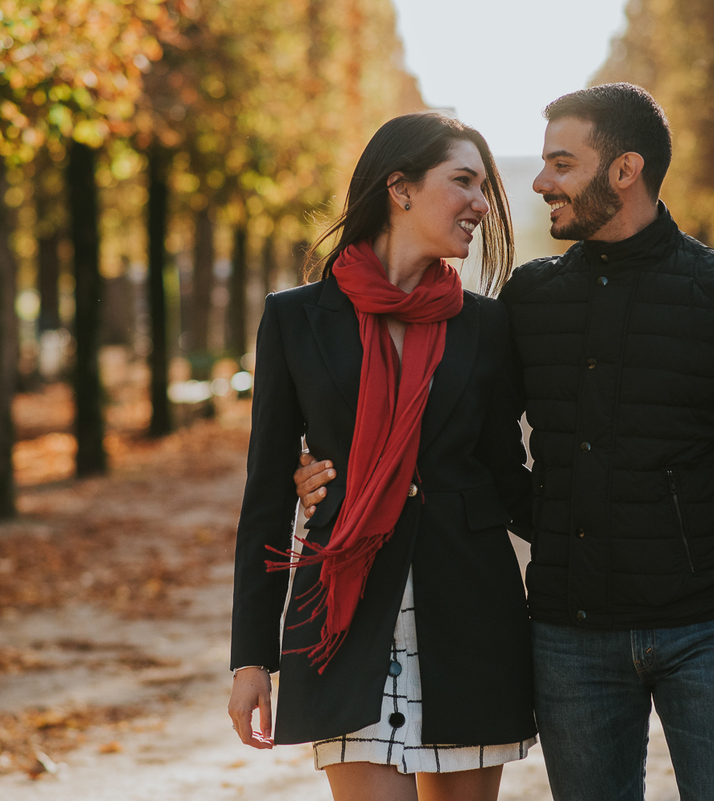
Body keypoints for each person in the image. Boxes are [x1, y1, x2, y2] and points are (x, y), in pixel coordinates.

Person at [297, 84, 714, 801]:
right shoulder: (530, 300)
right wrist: (327, 464)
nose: (541, 182)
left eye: (562, 164)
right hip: (572, 642)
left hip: (710, 633)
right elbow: (465, 439)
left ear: (625, 170)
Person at [228, 111, 537, 801]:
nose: (482, 204)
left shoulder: (486, 325)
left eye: (485, 187)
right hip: (344, 624)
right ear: (400, 189)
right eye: (464, 182)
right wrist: (251, 658)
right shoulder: (295, 318)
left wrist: (608, 536)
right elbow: (267, 497)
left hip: (470, 619)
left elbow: (505, 474)